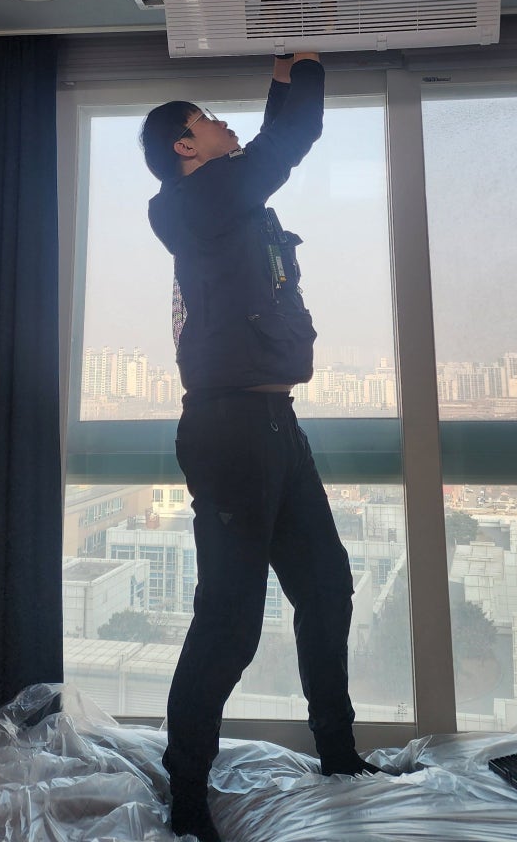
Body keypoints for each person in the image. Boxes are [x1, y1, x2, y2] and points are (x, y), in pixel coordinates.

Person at [141, 53, 384, 842]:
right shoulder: (195, 201)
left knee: (327, 588)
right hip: (230, 431)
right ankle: (186, 794)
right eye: (206, 120)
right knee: (231, 622)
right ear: (185, 147)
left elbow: (267, 154)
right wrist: (303, 68)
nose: (222, 123)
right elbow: (289, 141)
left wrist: (282, 83)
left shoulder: (227, 201)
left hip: (275, 420)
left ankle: (338, 754)